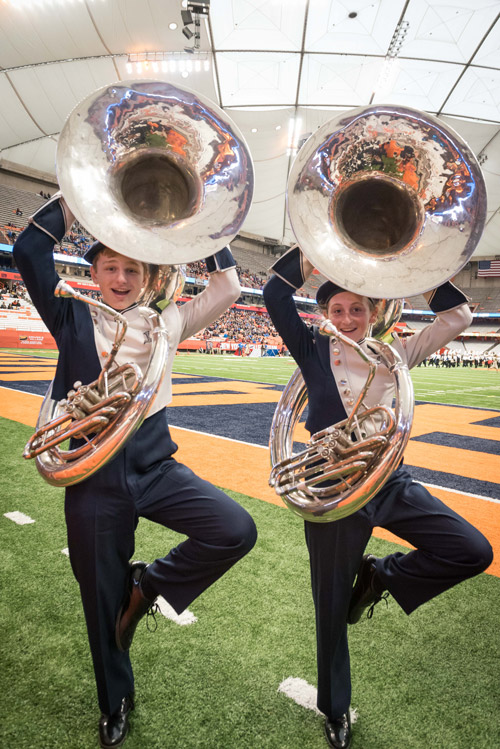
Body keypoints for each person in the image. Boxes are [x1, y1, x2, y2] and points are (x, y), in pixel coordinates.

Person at [13, 193, 257, 748]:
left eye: (132, 269)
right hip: (91, 474)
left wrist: (208, 229)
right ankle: (115, 700)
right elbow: (30, 249)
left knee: (234, 530)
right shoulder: (71, 310)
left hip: (153, 465)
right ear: (93, 271)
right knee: (99, 600)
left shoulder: (167, 320)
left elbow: (228, 289)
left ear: (149, 277)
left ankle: (148, 583)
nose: (121, 277)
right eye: (111, 267)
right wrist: (74, 200)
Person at [263, 245, 493, 749]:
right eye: (338, 309)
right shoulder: (312, 350)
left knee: (472, 551)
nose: (347, 319)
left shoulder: (398, 353)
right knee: (329, 607)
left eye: (358, 309)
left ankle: (380, 576)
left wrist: (411, 268)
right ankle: (335, 708)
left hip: (388, 480)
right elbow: (275, 294)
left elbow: (456, 315)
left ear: (375, 313)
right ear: (325, 315)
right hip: (331, 484)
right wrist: (319, 252)